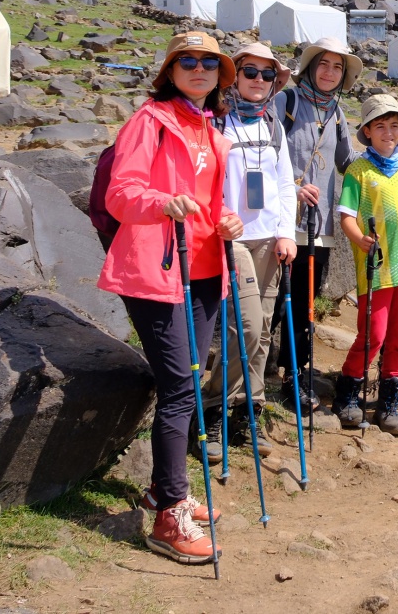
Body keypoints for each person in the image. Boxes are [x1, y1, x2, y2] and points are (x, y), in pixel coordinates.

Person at [97, 31, 245, 565]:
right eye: (189, 61)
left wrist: (229, 221)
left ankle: (164, 489)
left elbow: (216, 203)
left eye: (210, 62)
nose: (200, 68)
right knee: (181, 387)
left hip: (205, 269)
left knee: (188, 380)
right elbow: (121, 193)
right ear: (171, 70)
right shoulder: (149, 121)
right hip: (157, 270)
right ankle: (170, 514)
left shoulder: (210, 127)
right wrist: (163, 202)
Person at [203, 42, 297, 442]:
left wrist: (287, 233)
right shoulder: (218, 122)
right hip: (233, 241)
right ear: (235, 77)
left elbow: (285, 185)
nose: (259, 81)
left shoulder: (274, 126)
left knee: (262, 334)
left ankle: (248, 408)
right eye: (250, 73)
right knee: (248, 328)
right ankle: (212, 406)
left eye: (267, 74)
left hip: (270, 243)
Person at [334, 94, 398, 436]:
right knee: (373, 334)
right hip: (376, 268)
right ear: (367, 131)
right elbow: (346, 216)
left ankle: (389, 402)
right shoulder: (358, 171)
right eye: (381, 126)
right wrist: (359, 238)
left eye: (395, 126)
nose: (389, 132)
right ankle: (348, 393)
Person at [277, 35, 360, 414]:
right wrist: (291, 186)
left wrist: (390, 158)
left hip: (319, 224)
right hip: (283, 220)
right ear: (310, 68)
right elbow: (262, 154)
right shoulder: (286, 103)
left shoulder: (337, 113)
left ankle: (295, 372)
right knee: (276, 298)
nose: (330, 72)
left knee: (304, 301)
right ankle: (262, 371)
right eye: (324, 64)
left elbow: (348, 162)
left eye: (337, 66)